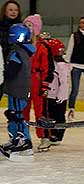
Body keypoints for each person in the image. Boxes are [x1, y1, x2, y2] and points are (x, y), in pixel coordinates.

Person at [0, 24, 35, 162]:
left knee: (17, 115)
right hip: (18, 88)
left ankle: (24, 141)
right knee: (14, 114)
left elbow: (12, 71)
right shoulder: (24, 51)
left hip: (17, 89)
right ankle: (15, 139)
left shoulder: (17, 52)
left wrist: (4, 73)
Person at [21, 14, 53, 152]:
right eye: (25, 25)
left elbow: (48, 67)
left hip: (38, 80)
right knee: (23, 110)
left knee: (41, 111)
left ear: (36, 29)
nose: (27, 28)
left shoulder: (43, 47)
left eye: (30, 25)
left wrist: (45, 84)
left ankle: (45, 137)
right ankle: (23, 137)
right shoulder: (21, 45)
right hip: (24, 81)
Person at [46, 37, 72, 145]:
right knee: (51, 115)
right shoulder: (50, 63)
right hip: (50, 95)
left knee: (59, 116)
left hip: (58, 96)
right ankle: (52, 133)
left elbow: (64, 83)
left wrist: (61, 97)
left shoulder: (61, 66)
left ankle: (58, 135)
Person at [0, 0, 22, 101]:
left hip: (15, 64)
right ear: (5, 11)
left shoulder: (22, 27)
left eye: (16, 10)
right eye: (10, 10)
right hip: (1, 63)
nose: (13, 12)